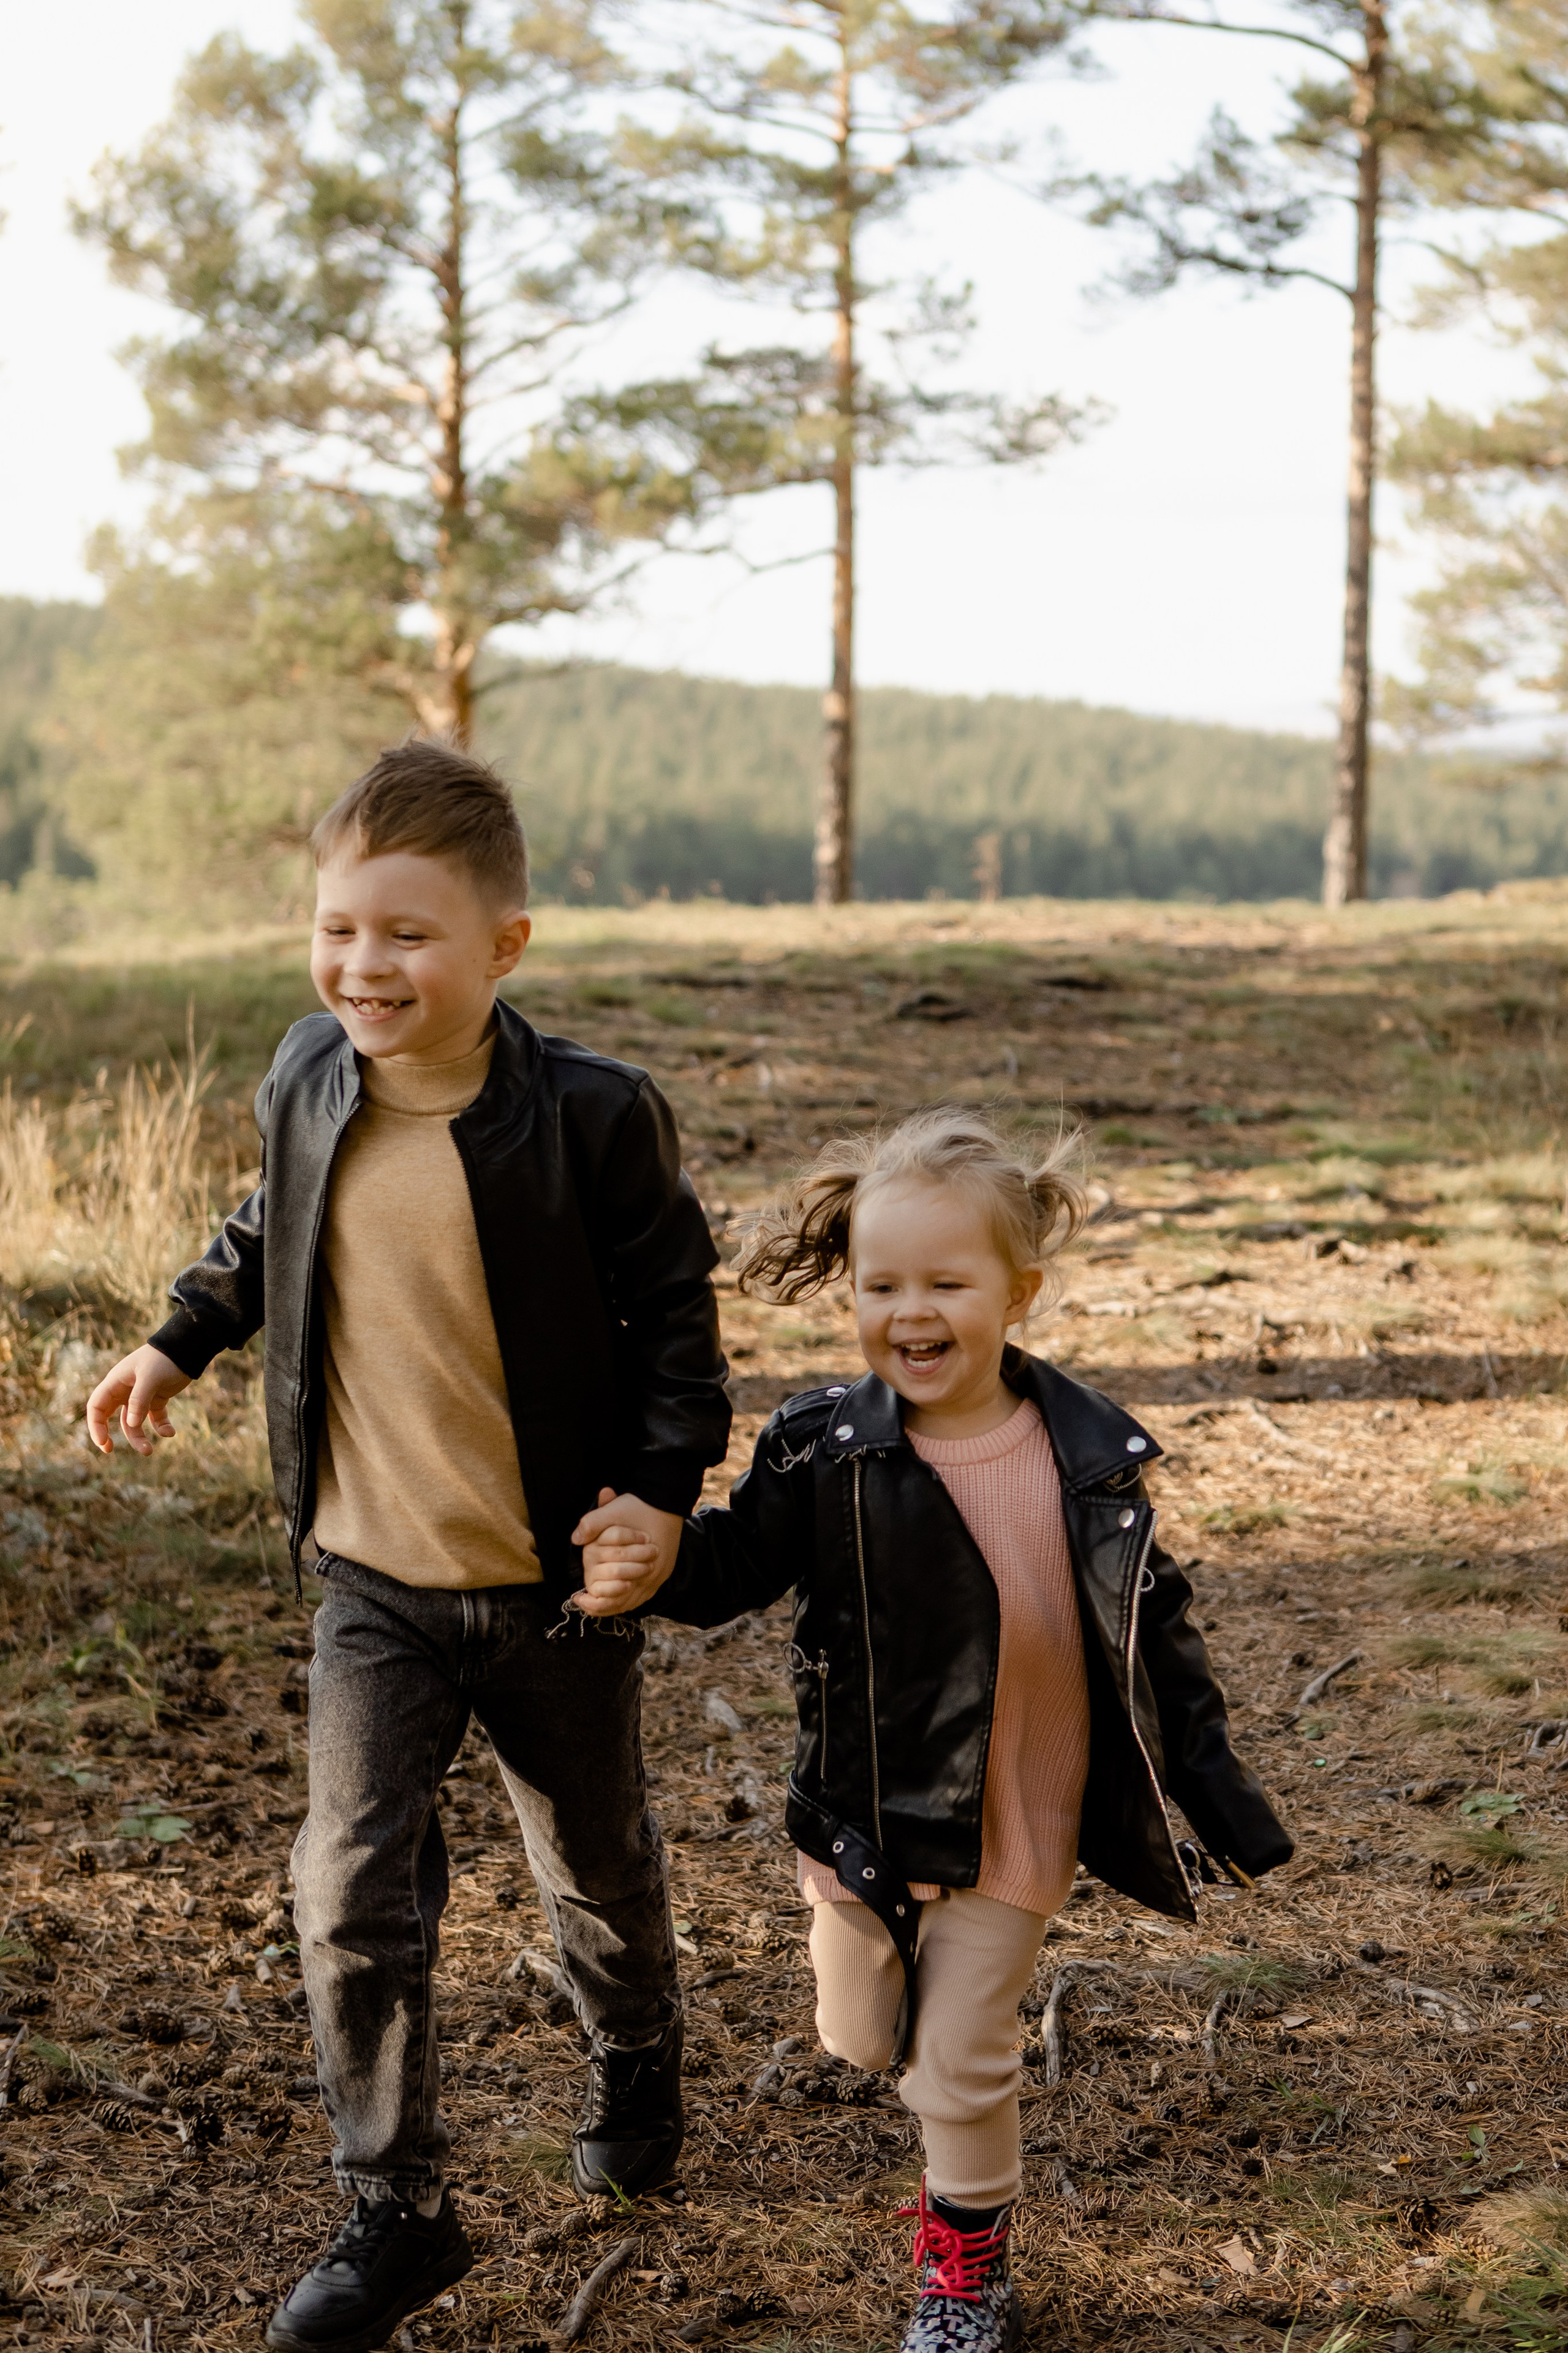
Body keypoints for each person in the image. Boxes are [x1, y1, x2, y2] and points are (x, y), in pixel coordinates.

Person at [86, 739, 730, 2353]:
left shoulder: (591, 1118)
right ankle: (397, 2205)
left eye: (407, 934)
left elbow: (679, 1335)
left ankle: (636, 2059)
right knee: (348, 1888)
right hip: (373, 1577)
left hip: (553, 1586)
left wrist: (656, 1498)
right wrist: (176, 1343)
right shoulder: (309, 1075)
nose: (364, 965)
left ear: (504, 946)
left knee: (595, 1865)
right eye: (338, 927)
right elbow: (266, 1225)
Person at [574, 1107, 1291, 2353]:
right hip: (860, 1810)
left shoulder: (1083, 1457)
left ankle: (962, 2280)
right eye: (880, 1282)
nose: (911, 1310)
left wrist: (1219, 1801)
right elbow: (736, 1562)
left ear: (1014, 1291)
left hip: (1020, 1808)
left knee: (954, 2057)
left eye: (945, 1281)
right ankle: (901, 2035)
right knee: (859, 2034)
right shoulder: (824, 1446)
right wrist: (658, 1562)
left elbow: (1152, 1635)